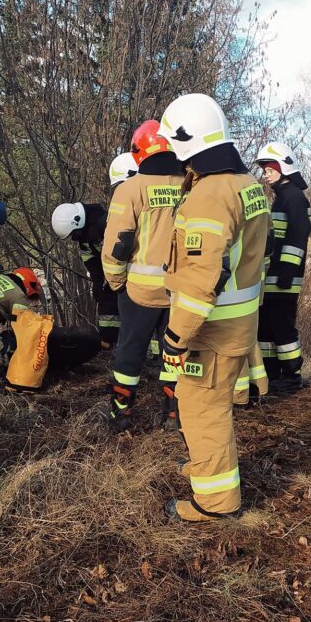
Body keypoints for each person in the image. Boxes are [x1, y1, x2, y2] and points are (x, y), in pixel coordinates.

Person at [158, 93, 269, 523]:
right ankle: (208, 468)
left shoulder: (211, 195)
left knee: (202, 408)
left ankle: (216, 502)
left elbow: (200, 278)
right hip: (238, 323)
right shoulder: (246, 185)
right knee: (210, 404)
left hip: (212, 329)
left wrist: (175, 336)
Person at [101, 121, 184, 432]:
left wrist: (116, 283)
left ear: (138, 151)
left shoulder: (131, 189)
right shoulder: (191, 185)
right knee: (174, 354)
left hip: (139, 293)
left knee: (130, 352)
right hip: (180, 292)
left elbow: (118, 243)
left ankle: (121, 415)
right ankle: (174, 415)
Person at [253, 141, 311, 393]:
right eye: (264, 170)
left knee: (282, 325)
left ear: (283, 167)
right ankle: (272, 372)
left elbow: (298, 236)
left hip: (285, 277)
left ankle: (291, 375)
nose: (266, 175)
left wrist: (287, 271)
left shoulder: (294, 198)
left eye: (269, 169)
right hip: (273, 275)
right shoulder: (282, 197)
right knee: (267, 324)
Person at [51, 201, 120, 347]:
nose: (74, 238)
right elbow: (89, 257)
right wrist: (98, 280)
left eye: (73, 234)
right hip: (109, 274)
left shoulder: (105, 224)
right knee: (105, 299)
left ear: (77, 222)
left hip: (124, 273)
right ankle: (109, 342)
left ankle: (124, 344)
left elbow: (120, 250)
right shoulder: (84, 234)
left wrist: (112, 276)